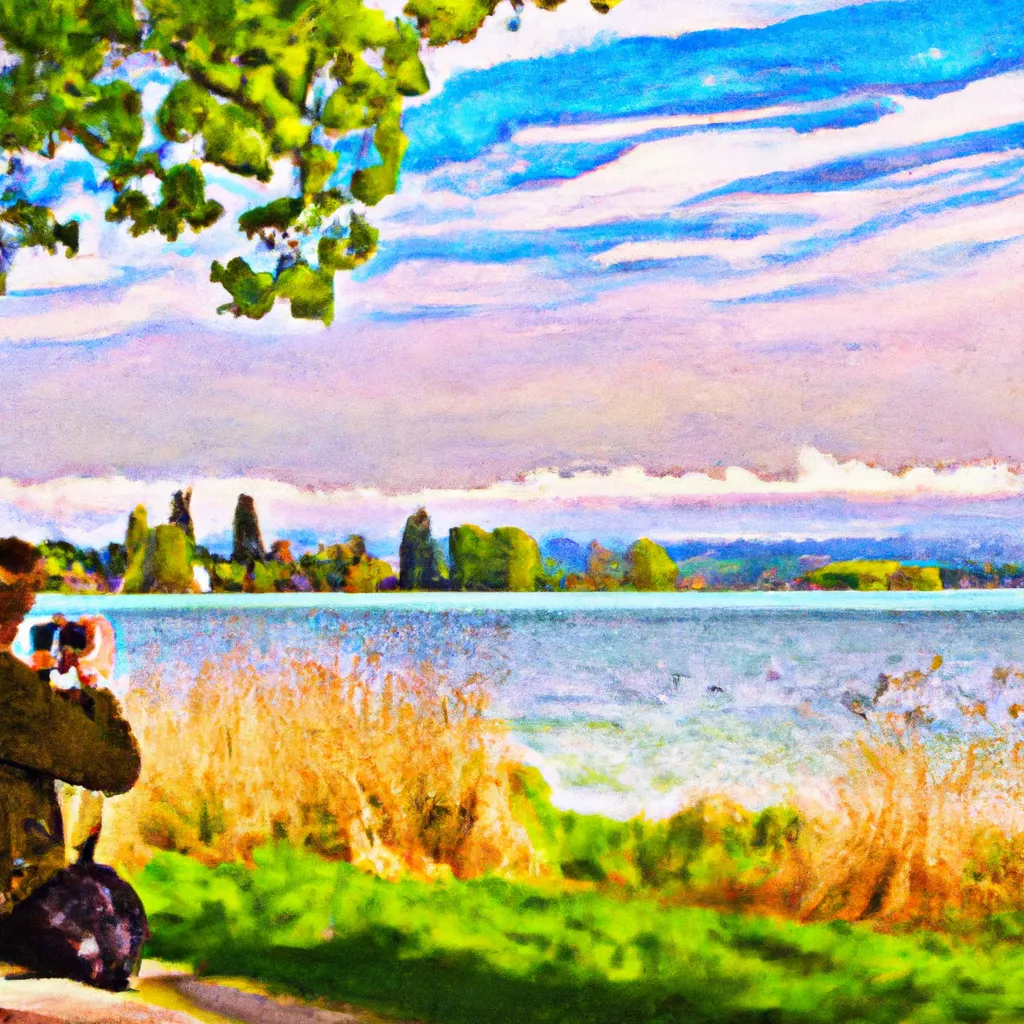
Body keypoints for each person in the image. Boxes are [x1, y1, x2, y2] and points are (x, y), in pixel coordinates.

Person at [0, 538, 146, 990]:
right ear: (17, 615)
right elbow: (115, 769)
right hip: (11, 904)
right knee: (112, 928)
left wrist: (41, 682)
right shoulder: (11, 693)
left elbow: (29, 732)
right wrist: (96, 680)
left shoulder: (16, 691)